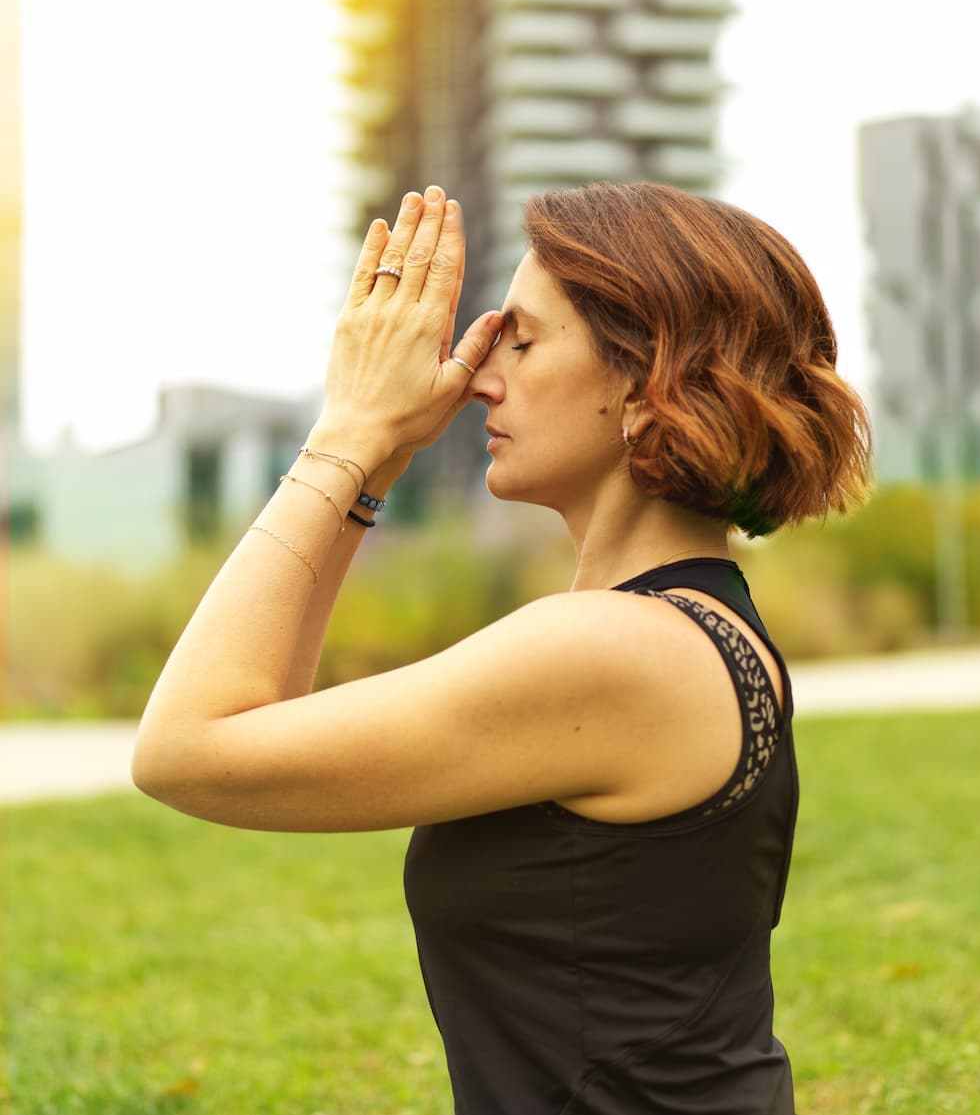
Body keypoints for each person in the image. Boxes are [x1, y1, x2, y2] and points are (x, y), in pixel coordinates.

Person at [134, 180, 870, 1114]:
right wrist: (376, 466)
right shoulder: (695, 629)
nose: (481, 375)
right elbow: (252, 714)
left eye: (521, 340)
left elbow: (185, 751)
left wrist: (348, 432)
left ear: (648, 382)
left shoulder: (607, 653)